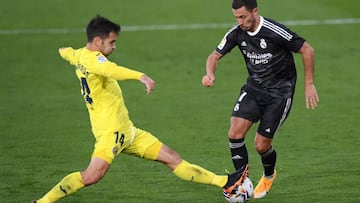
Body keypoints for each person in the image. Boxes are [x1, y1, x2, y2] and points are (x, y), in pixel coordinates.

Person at [31, 15, 248, 203]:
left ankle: (226, 181)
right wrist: (140, 76)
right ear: (97, 41)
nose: (114, 47)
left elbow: (67, 53)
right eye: (111, 42)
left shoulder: (78, 55)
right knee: (91, 176)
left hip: (129, 132)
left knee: (171, 157)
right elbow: (111, 70)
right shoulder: (95, 60)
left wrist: (62, 50)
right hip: (111, 134)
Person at [201, 0, 319, 199]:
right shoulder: (236, 33)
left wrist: (309, 84)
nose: (240, 22)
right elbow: (214, 56)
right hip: (254, 89)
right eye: (236, 17)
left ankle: (269, 175)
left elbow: (307, 50)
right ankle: (242, 181)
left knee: (261, 146)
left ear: (255, 11)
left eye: (243, 17)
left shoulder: (274, 31)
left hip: (279, 94)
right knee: (234, 133)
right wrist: (210, 74)